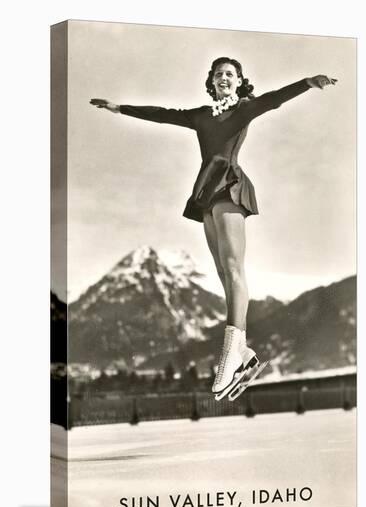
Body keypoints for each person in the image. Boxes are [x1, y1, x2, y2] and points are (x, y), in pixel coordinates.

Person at [90, 57, 337, 400]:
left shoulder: (245, 109)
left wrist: (309, 82)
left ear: (238, 82)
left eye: (230, 74)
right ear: (212, 81)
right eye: (219, 74)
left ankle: (231, 353)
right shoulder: (201, 116)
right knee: (223, 272)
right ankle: (244, 352)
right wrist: (120, 108)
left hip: (229, 183)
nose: (224, 78)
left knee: (234, 267)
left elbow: (276, 98)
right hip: (206, 191)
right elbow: (162, 114)